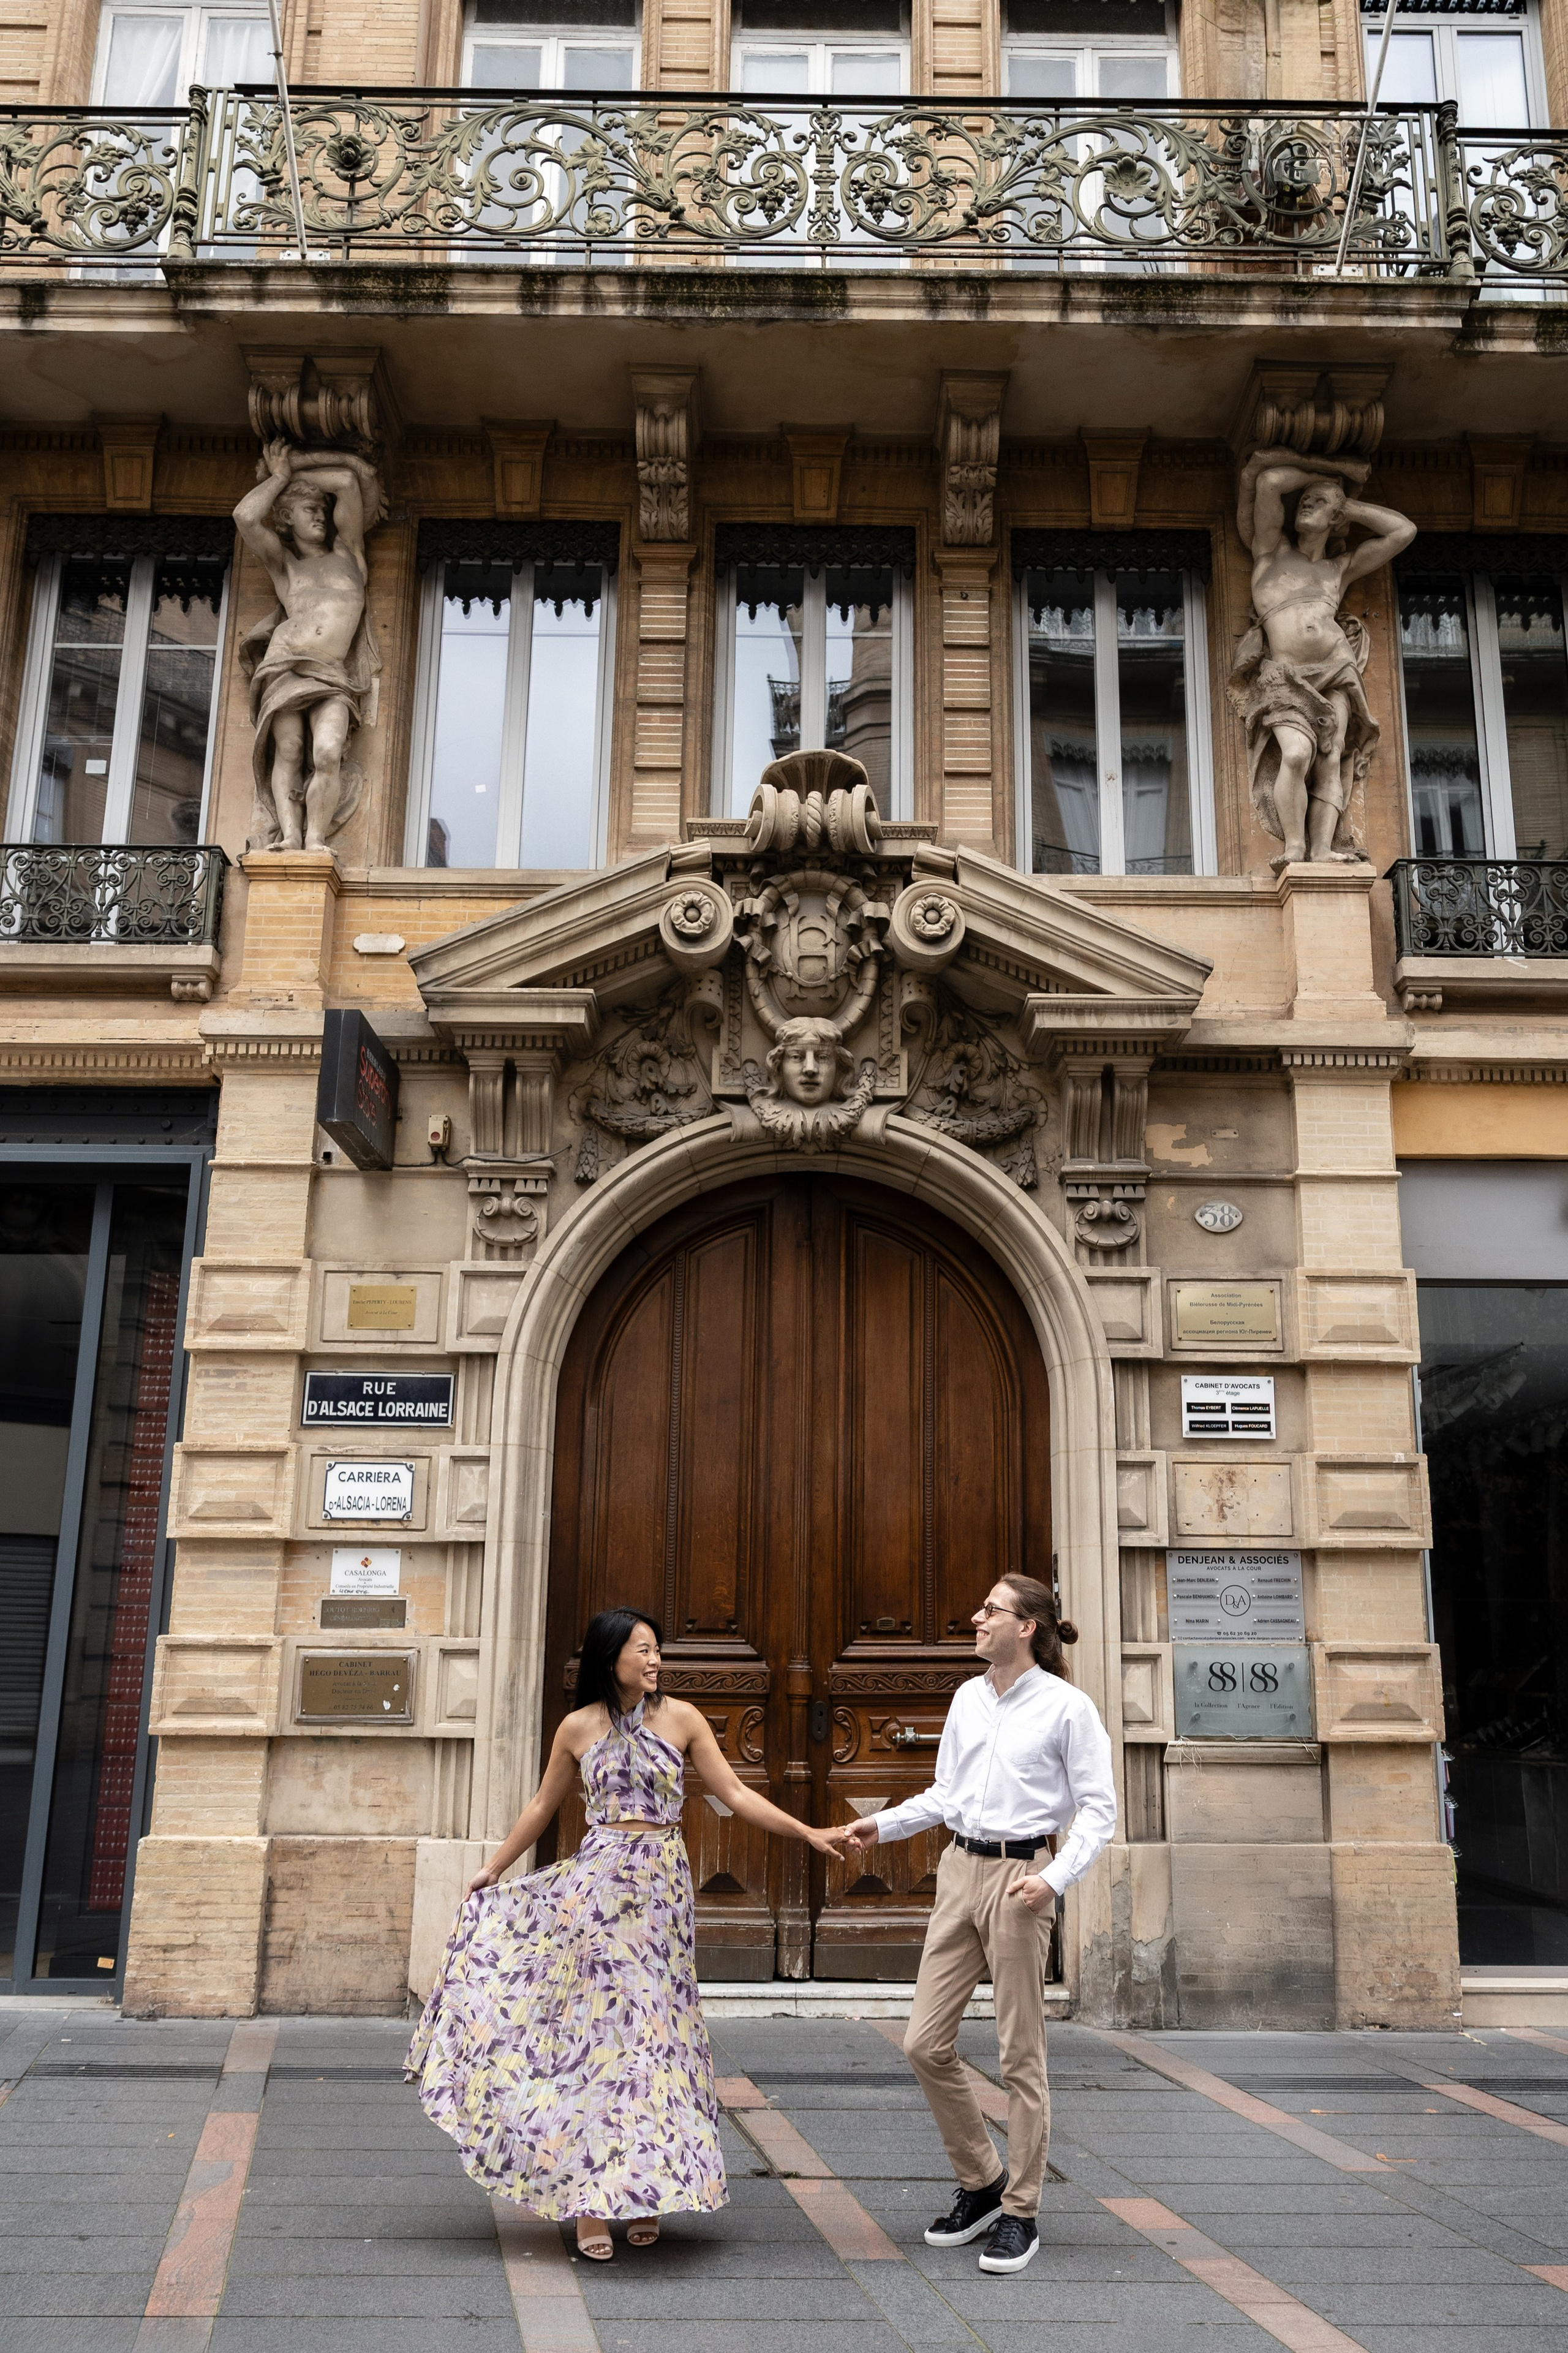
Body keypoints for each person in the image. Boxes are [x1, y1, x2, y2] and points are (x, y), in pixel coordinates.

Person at [406, 1607, 846, 2261]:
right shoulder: (577, 1727)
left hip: (662, 1893)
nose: (654, 1659)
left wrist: (807, 1832)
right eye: (642, 1649)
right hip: (599, 1889)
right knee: (599, 2039)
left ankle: (643, 2191)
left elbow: (733, 1791)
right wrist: (493, 1868)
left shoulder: (684, 1718)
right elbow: (541, 1805)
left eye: (657, 1650)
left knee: (655, 2037)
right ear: (610, 1655)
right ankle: (588, 2200)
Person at [843, 1574, 1115, 2275]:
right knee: (923, 2042)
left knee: (1020, 2054)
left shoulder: (1067, 1707)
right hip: (959, 1872)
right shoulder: (969, 1696)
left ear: (1026, 1626)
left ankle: (1020, 2211)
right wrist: (881, 1823)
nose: (976, 1617)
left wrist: (1052, 1880)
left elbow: (1097, 1810)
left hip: (1023, 1879)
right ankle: (983, 2180)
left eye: (990, 1610)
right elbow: (947, 1793)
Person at [1229, 448, 1414, 868]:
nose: (1308, 502)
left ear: (1336, 519)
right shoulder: (1270, 551)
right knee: (1296, 754)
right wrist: (1336, 472)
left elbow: (1403, 531)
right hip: (1285, 674)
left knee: (1331, 756)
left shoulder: (1338, 568)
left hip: (1335, 667)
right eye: (1306, 499)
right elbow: (1270, 482)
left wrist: (1346, 502)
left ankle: (1320, 850)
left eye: (1319, 502)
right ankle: (1295, 846)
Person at [233, 437, 383, 852]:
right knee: (291, 750)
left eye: (321, 508)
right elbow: (245, 516)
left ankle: (316, 836)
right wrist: (278, 478)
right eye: (309, 510)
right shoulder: (286, 565)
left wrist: (294, 467)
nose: (320, 514)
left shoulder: (348, 552)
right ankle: (292, 836)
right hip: (285, 664)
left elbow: (349, 482)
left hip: (332, 672)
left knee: (329, 751)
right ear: (284, 519)